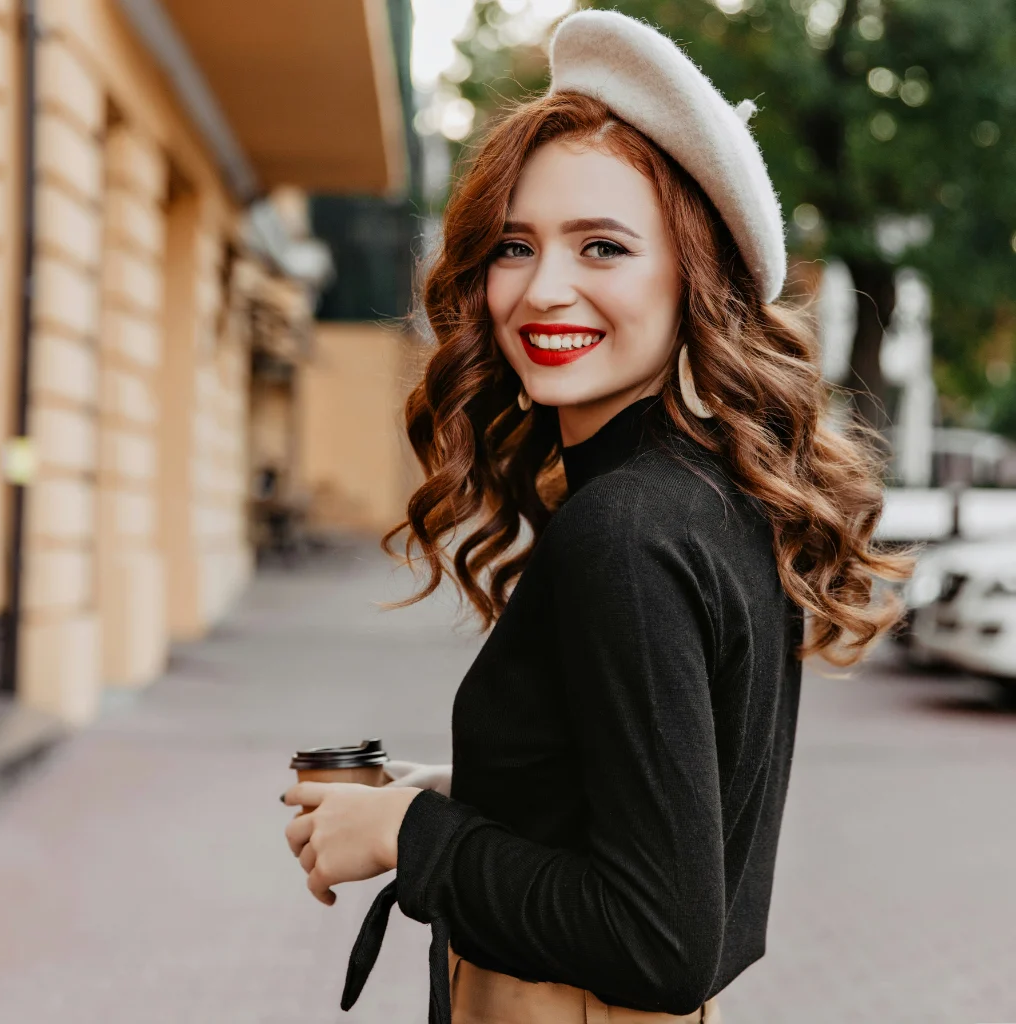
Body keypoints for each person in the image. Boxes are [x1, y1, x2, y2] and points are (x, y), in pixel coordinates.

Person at [281, 10, 910, 1023]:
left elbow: (659, 941)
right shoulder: (707, 493)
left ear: (694, 279)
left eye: (603, 247)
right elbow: (656, 804)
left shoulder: (624, 530)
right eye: (515, 246)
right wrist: (455, 791)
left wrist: (409, 836)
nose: (544, 290)